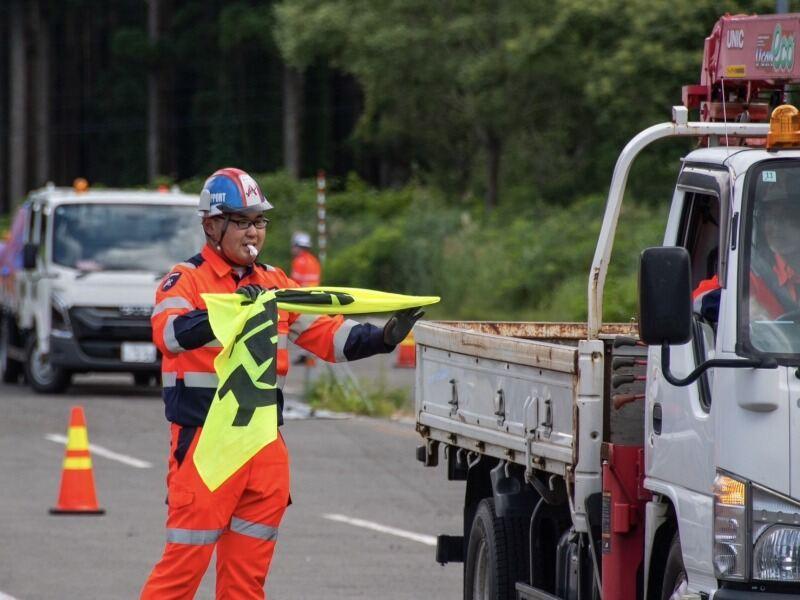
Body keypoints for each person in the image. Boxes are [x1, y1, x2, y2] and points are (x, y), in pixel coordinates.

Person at [141, 167, 421, 599]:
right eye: (243, 222)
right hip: (205, 445)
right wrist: (233, 310)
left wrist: (382, 338)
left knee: (247, 583)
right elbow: (170, 334)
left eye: (259, 222)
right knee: (181, 573)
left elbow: (327, 335)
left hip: (264, 445)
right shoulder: (186, 279)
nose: (254, 233)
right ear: (212, 226)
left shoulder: (275, 282)